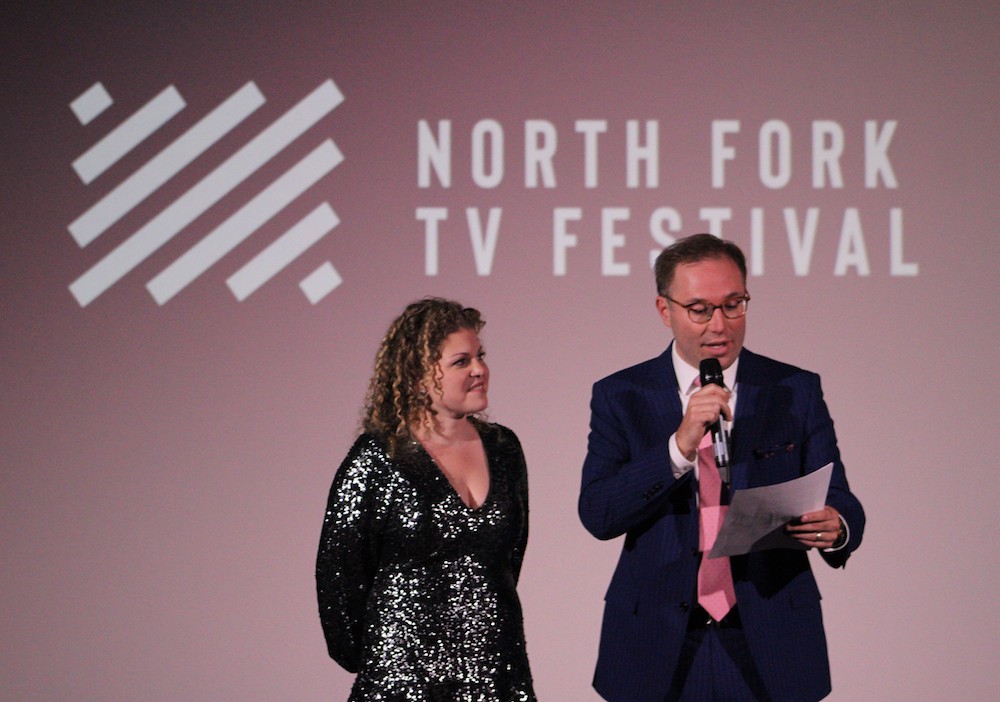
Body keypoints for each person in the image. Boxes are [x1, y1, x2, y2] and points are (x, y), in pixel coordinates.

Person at [578, 234, 865, 702]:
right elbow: (599, 512)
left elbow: (840, 497)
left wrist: (838, 526)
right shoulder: (621, 395)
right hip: (657, 641)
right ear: (664, 309)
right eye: (700, 309)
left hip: (770, 633)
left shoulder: (794, 389)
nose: (720, 324)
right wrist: (679, 447)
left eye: (734, 305)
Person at [316, 297, 536, 702]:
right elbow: (340, 575)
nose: (479, 370)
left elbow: (509, 560)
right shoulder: (378, 458)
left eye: (480, 356)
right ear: (418, 377)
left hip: (496, 673)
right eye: (461, 361)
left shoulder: (504, 448)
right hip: (402, 680)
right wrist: (384, 658)